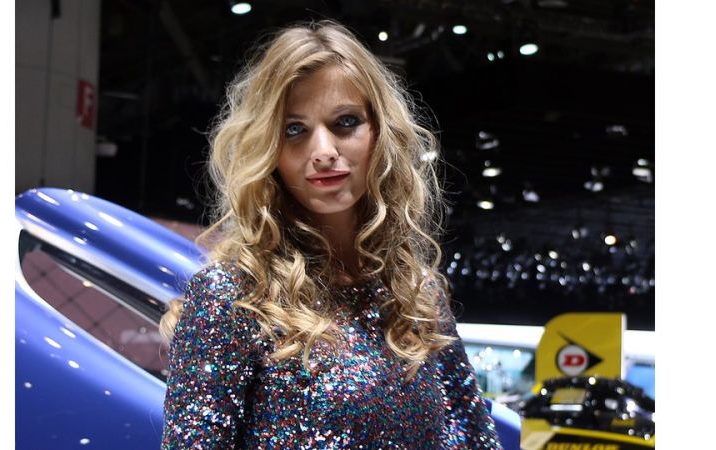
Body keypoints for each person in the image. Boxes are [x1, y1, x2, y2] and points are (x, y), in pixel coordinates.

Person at [159, 20, 503, 449]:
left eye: (345, 122)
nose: (323, 151)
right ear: (269, 150)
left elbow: (473, 439)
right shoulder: (234, 297)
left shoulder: (418, 294)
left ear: (379, 134)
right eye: (294, 129)